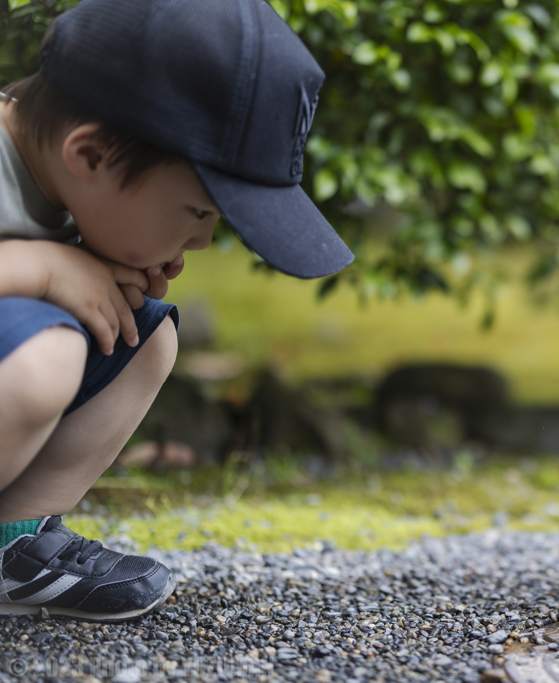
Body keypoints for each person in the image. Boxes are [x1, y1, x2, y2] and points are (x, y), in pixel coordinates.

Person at [0, 0, 353, 621]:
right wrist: (50, 270)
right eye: (198, 213)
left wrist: (88, 262)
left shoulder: (59, 186)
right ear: (89, 157)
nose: (201, 242)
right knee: (43, 360)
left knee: (142, 334)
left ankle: (12, 546)